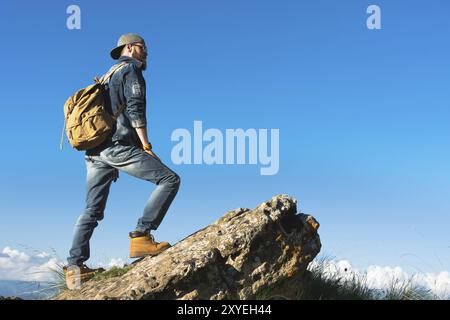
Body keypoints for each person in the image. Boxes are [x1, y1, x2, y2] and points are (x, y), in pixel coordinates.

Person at [64, 33, 181, 284]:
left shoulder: (107, 75)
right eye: (143, 47)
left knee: (91, 210)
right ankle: (141, 235)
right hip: (116, 147)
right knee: (169, 180)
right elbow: (135, 108)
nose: (147, 52)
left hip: (95, 152)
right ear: (129, 48)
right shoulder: (130, 70)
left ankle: (74, 268)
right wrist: (146, 145)